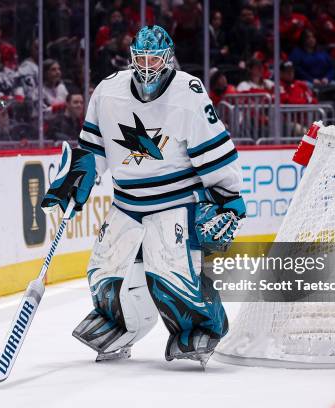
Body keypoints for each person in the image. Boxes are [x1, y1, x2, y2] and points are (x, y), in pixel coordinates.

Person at [41, 25, 245, 366]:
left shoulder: (188, 92)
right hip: (126, 202)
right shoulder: (108, 91)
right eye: (142, 58)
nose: (148, 66)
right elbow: (93, 149)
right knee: (103, 271)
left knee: (170, 274)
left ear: (168, 59)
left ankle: (198, 327)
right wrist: (77, 180)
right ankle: (118, 325)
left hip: (175, 200)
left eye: (155, 58)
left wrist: (228, 198)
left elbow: (213, 151)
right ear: (131, 57)